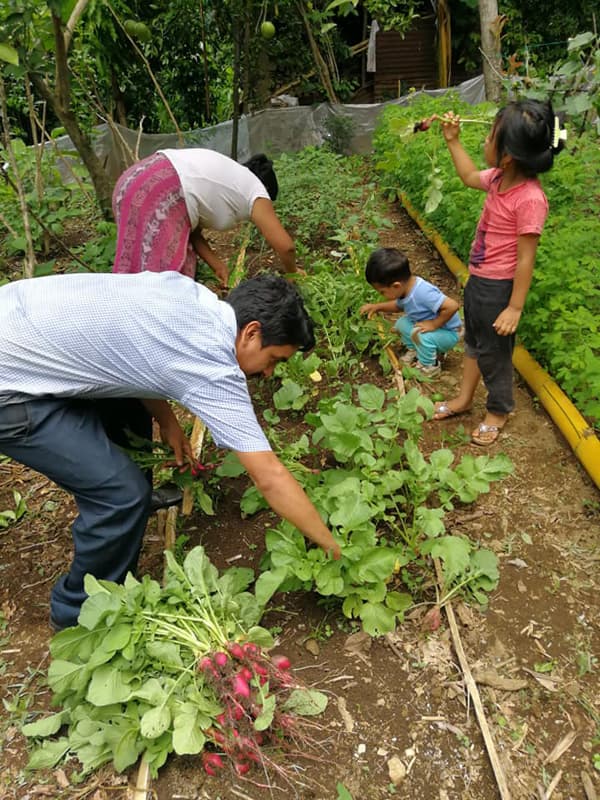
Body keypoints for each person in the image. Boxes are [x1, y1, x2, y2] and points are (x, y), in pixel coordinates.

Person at [0, 272, 340, 630]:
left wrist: (166, 419)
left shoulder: (193, 298)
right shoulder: (212, 364)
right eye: (274, 359)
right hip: (10, 388)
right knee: (120, 493)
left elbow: (130, 353)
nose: (269, 373)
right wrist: (330, 546)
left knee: (129, 414)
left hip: (16, 317)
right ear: (251, 333)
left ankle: (128, 515)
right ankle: (80, 615)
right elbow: (269, 476)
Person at [431, 100, 565, 445]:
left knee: (495, 354)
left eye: (490, 136)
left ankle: (498, 410)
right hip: (479, 281)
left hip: (499, 290)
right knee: (474, 344)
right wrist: (452, 140)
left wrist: (515, 307)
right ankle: (463, 399)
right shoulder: (498, 179)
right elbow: (466, 176)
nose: (484, 141)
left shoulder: (530, 199)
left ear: (507, 155)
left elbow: (525, 260)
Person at [112, 148, 300, 285]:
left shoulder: (232, 180)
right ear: (267, 190)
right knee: (165, 285)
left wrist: (218, 265)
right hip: (161, 191)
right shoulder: (256, 190)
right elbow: (286, 247)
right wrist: (294, 274)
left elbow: (192, 233)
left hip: (133, 181)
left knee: (138, 276)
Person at [359, 247, 462, 377]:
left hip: (449, 333)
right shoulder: (405, 289)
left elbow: (452, 306)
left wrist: (434, 324)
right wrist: (377, 307)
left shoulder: (423, 292)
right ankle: (416, 350)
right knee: (402, 323)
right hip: (434, 329)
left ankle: (430, 366)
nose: (382, 295)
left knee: (420, 335)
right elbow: (398, 306)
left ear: (396, 285)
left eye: (382, 292)